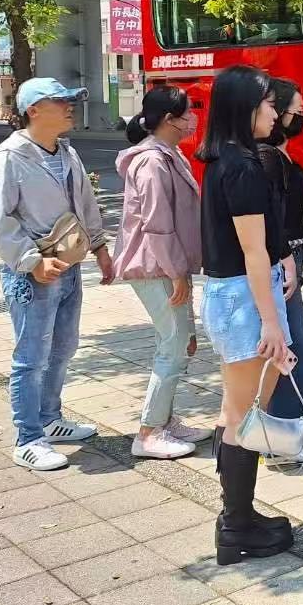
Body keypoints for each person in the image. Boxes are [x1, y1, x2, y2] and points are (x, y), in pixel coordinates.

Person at [0, 79, 112, 471]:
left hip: (68, 268)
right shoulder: (9, 158)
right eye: (61, 101)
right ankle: (28, 438)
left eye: (70, 100)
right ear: (33, 110)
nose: (70, 106)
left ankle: (51, 420)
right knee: (31, 358)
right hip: (32, 276)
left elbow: (86, 203)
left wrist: (100, 247)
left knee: (63, 348)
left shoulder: (67, 152)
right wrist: (31, 261)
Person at [197, 65, 296, 564]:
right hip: (244, 299)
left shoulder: (224, 159)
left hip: (231, 295)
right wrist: (272, 323)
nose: (276, 113)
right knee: (243, 414)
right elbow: (254, 253)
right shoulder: (242, 165)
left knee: (235, 410)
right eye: (270, 104)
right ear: (246, 107)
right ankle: (236, 525)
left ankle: (239, 517)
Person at [114, 86, 210, 460]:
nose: (193, 118)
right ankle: (149, 432)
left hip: (165, 265)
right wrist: (177, 273)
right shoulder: (152, 162)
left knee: (180, 342)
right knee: (174, 344)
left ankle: (164, 420)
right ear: (170, 119)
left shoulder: (168, 154)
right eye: (188, 112)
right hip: (156, 266)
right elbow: (157, 225)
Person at [258, 78, 303, 461]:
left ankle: (284, 433)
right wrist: (284, 260)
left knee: (292, 347)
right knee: (292, 349)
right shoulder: (268, 158)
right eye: (294, 110)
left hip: (287, 261)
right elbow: (269, 221)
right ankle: (285, 438)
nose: (301, 116)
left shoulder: (280, 156)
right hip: (281, 264)